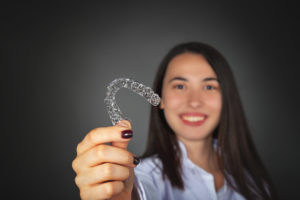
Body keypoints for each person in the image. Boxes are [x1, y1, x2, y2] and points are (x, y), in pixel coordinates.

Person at [72, 42, 278, 200]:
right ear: (160, 99)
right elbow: (139, 191)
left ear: (227, 98)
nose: (194, 102)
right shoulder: (145, 176)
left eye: (209, 87)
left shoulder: (252, 179)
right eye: (180, 86)